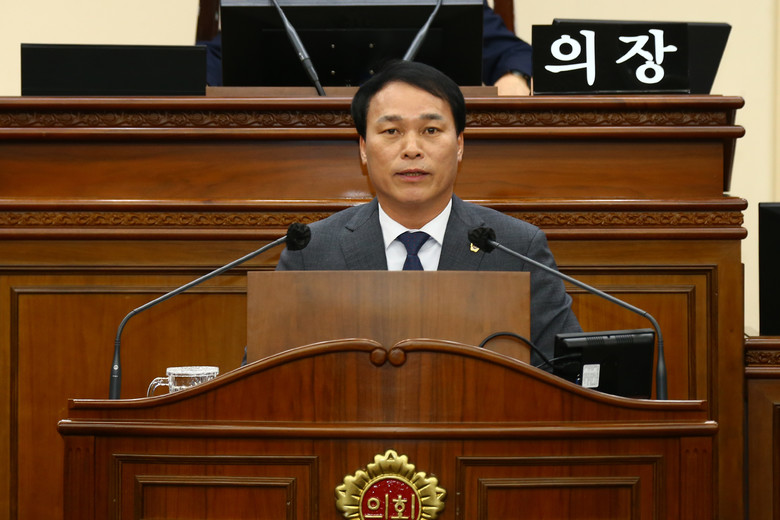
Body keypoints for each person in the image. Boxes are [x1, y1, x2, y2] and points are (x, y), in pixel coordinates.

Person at [277, 60, 580, 365]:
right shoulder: (311, 250)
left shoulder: (517, 248)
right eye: (392, 131)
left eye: (431, 130)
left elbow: (565, 373)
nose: (412, 149)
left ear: (459, 145)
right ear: (364, 149)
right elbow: (272, 375)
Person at [201, 0, 533, 95]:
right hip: (297, 142)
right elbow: (216, 57)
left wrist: (516, 76)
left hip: (413, 139)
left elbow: (513, 53)